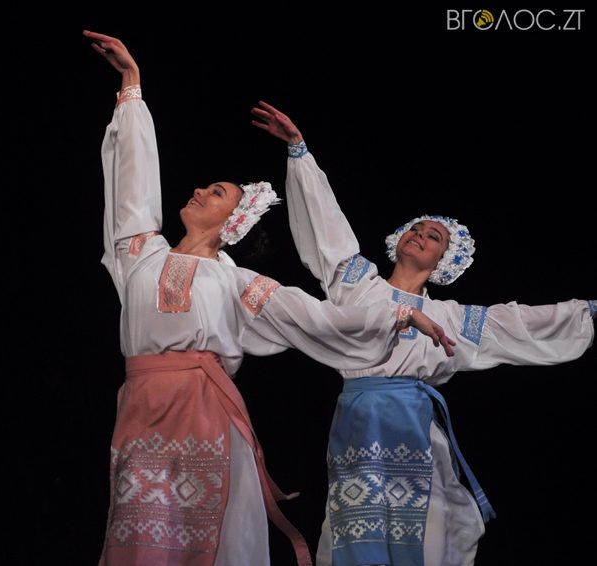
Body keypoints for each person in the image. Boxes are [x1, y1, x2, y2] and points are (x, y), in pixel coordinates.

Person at [83, 31, 456, 566]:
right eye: (206, 186)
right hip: (142, 411)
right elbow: (132, 185)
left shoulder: (238, 283)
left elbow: (321, 319)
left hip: (204, 413)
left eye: (217, 192)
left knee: (208, 538)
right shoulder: (140, 253)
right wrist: (131, 86)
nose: (199, 191)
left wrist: (401, 314)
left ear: (235, 221)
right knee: (139, 536)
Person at [251, 100, 596, 566]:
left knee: (428, 525)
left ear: (443, 263)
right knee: (359, 520)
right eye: (416, 228)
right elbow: (326, 227)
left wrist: (587, 311)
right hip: (359, 417)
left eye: (434, 236)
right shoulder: (358, 283)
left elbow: (520, 322)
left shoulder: (450, 317)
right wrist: (299, 150)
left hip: (413, 424)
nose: (420, 235)